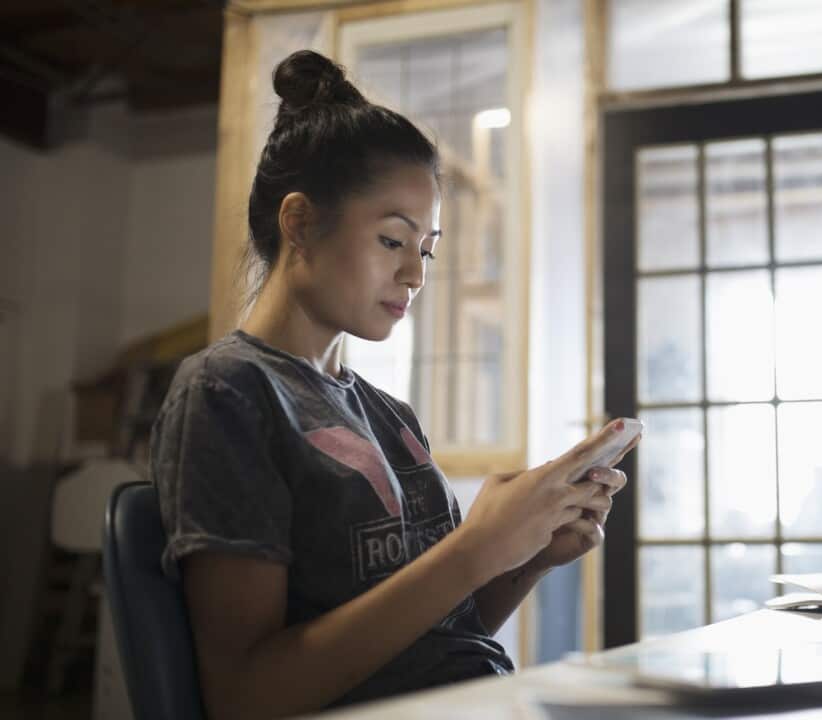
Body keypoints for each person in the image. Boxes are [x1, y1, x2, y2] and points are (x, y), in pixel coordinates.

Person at [150, 49, 630, 719]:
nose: (416, 275)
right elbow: (246, 696)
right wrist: (475, 549)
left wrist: (527, 558)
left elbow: (432, 637)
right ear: (298, 223)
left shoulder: (389, 415)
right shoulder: (228, 392)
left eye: (426, 249)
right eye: (391, 240)